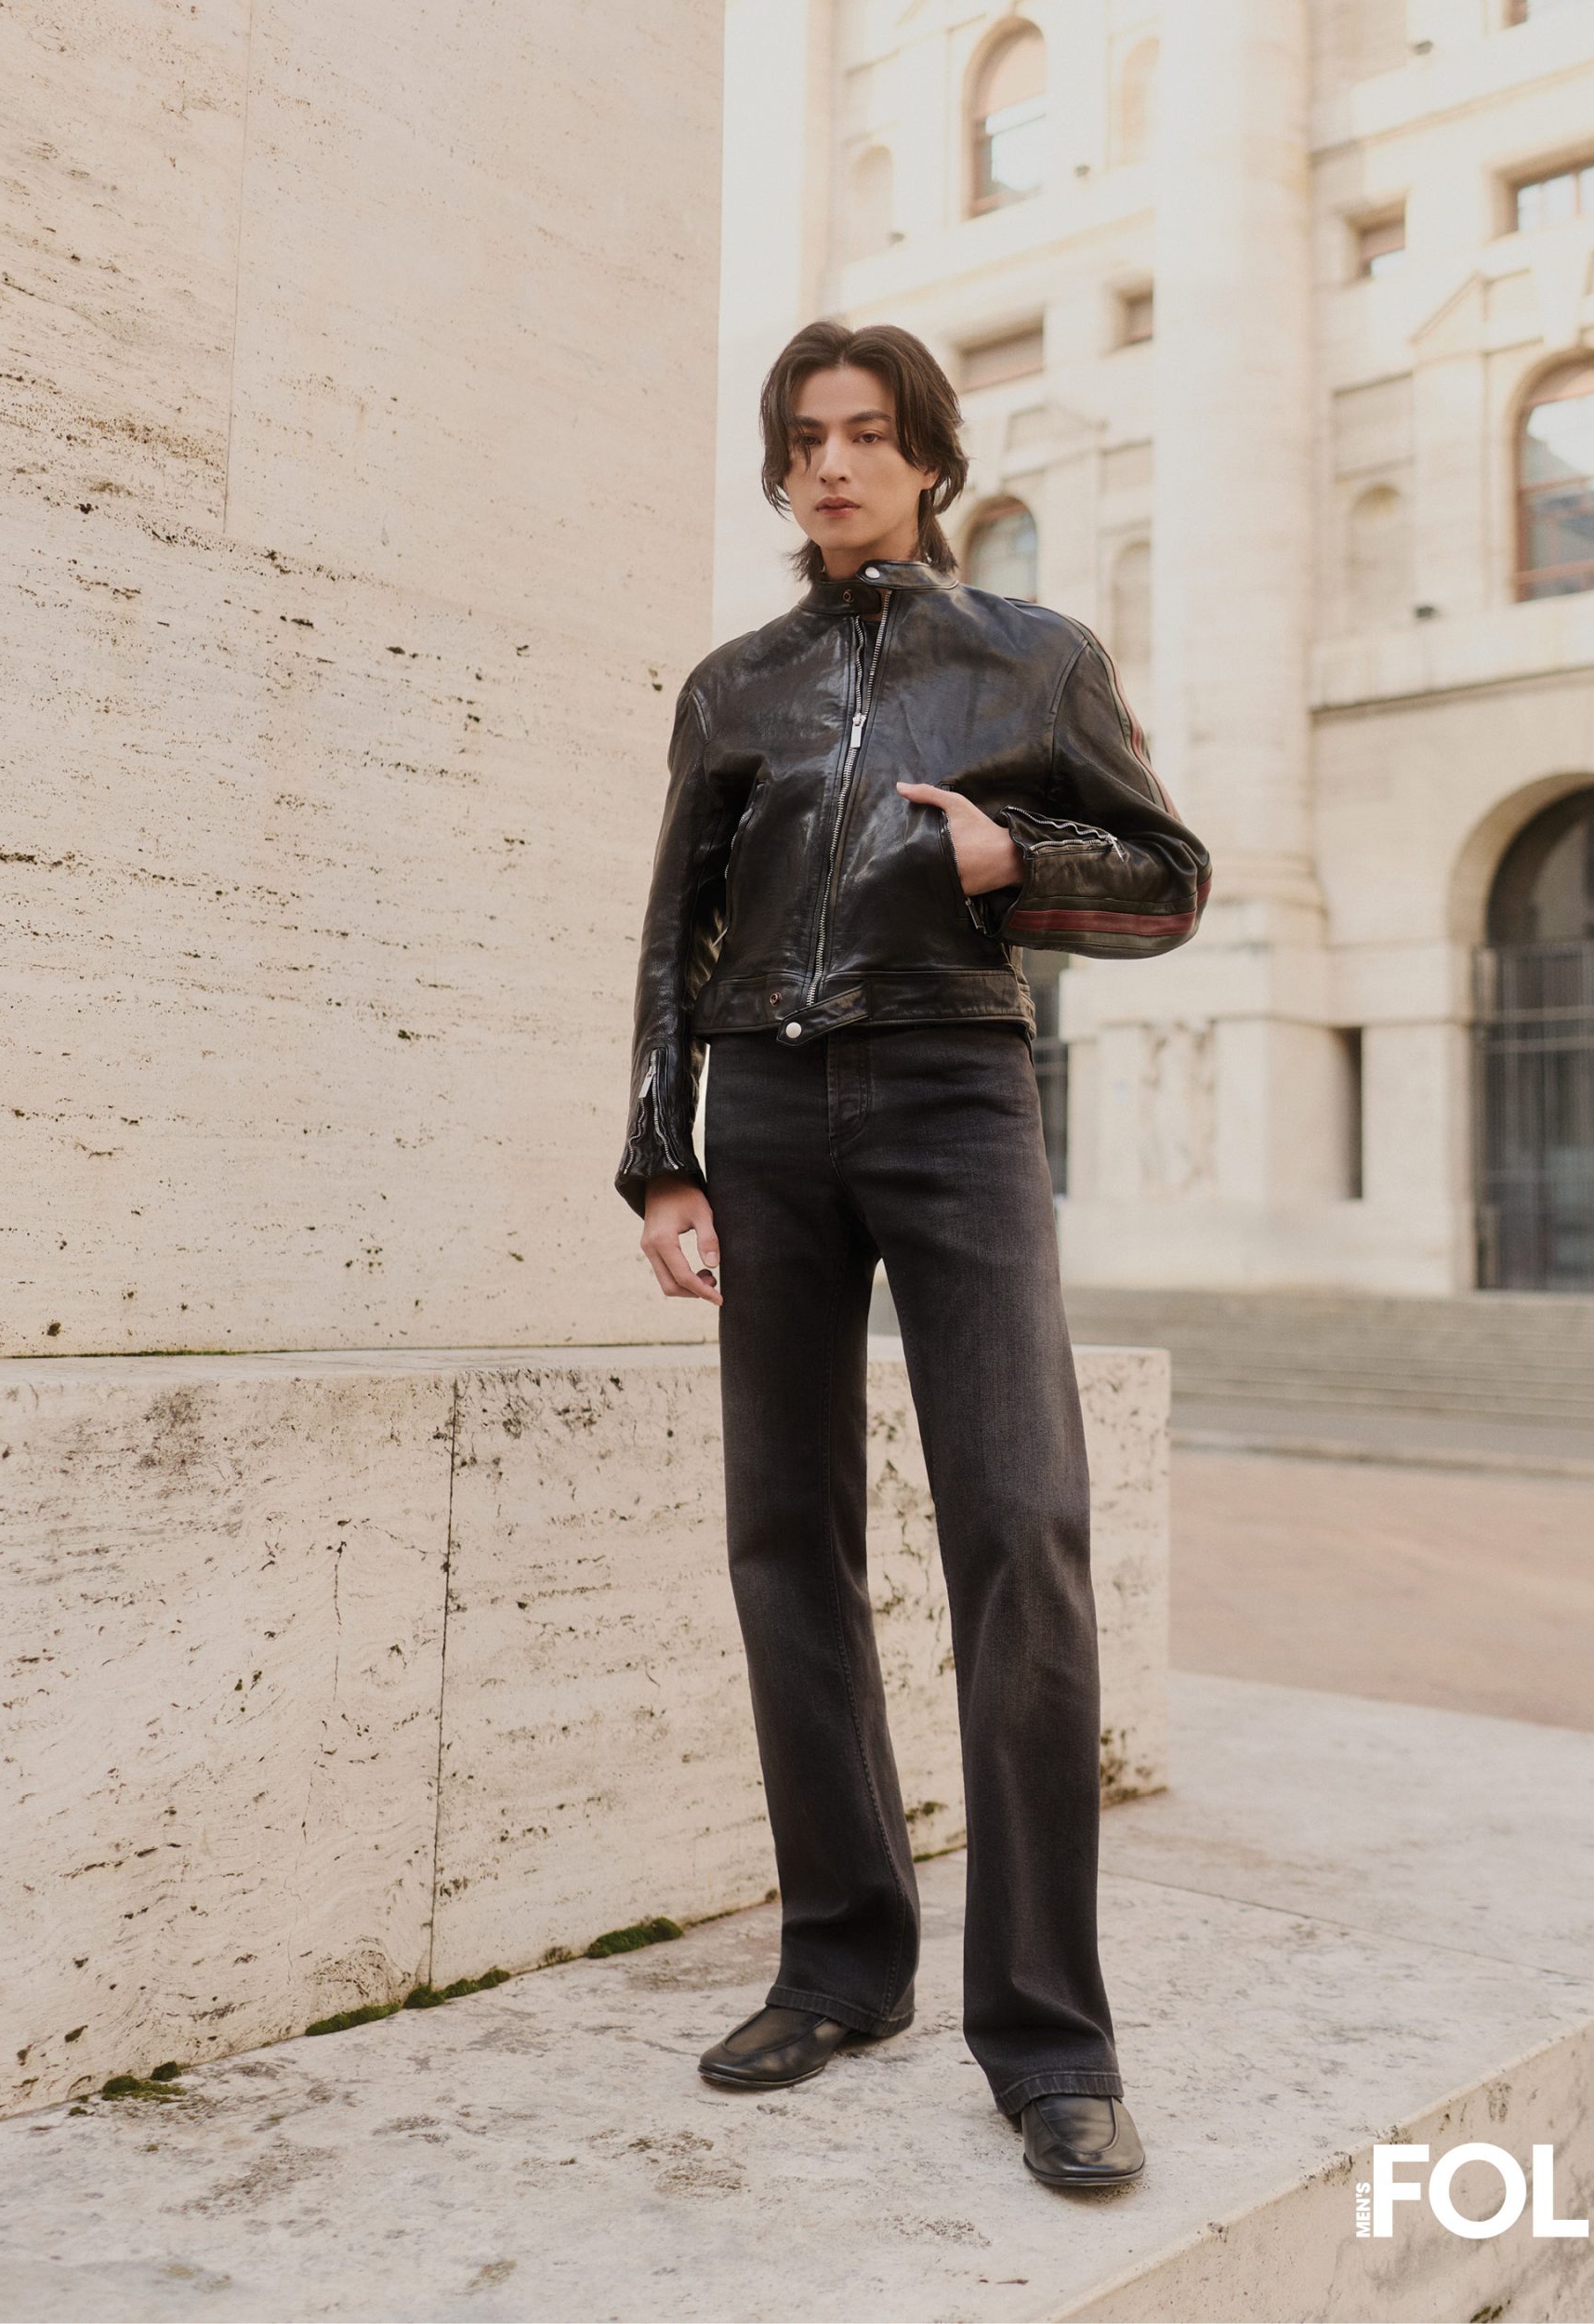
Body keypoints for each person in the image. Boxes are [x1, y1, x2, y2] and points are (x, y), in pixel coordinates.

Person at [613, 318, 1209, 2191]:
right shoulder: (735, 687)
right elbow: (674, 932)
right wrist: (662, 1159)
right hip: (768, 1119)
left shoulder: (1036, 656)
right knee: (785, 1531)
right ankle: (839, 1960)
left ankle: (1049, 2037)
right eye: (805, 440)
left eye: (868, 435)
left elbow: (1171, 878)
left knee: (1021, 1526)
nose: (833, 466)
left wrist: (1019, 859)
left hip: (956, 1097)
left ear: (932, 459)